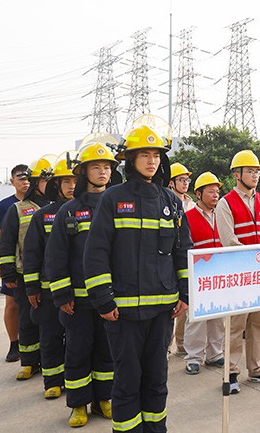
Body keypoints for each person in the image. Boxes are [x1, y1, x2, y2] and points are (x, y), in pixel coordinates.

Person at [84, 123, 192, 433]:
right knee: (128, 380)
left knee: (157, 379)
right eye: (144, 155)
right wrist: (103, 299)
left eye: (156, 155)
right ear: (131, 160)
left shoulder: (170, 202)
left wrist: (184, 294)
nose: (151, 161)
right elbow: (96, 253)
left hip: (162, 311)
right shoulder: (113, 199)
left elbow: (182, 251)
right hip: (124, 312)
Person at [46, 141, 118, 427]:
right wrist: (62, 294)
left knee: (107, 350)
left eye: (107, 167)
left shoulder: (118, 207)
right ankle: (78, 405)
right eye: (96, 167)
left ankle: (103, 399)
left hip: (109, 298)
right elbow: (56, 256)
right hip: (77, 301)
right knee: (77, 351)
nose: (102, 172)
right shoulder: (69, 211)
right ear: (83, 172)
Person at [215, 150, 260, 394]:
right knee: (235, 326)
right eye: (250, 171)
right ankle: (230, 372)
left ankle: (258, 368)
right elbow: (228, 240)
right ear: (236, 174)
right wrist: (255, 257)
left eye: (256, 171)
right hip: (238, 275)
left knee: (258, 324)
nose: (255, 175)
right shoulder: (225, 203)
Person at [23, 152, 77, 399]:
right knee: (51, 336)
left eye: (75, 180)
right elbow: (32, 254)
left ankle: (74, 381)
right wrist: (32, 288)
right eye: (66, 182)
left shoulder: (89, 211)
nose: (71, 186)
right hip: (48, 291)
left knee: (79, 341)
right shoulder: (42, 215)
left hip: (79, 291)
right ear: (57, 184)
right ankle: (52, 381)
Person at [0, 154, 54, 380]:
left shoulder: (58, 208)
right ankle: (29, 362)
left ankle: (51, 361)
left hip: (52, 275)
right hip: (25, 275)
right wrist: (8, 272)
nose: (48, 185)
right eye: (43, 180)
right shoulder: (18, 209)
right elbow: (7, 242)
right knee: (28, 319)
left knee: (51, 323)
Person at [183, 172, 226, 375]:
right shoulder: (187, 217)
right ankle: (194, 358)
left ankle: (215, 354)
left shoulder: (222, 215)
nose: (215, 195)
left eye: (217, 191)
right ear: (198, 194)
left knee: (218, 317)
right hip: (197, 275)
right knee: (197, 319)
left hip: (219, 274)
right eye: (211, 191)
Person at [0, 164, 29, 363]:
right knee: (12, 304)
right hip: (12, 264)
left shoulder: (38, 202)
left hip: (32, 265)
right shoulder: (5, 206)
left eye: (27, 178)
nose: (25, 182)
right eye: (20, 178)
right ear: (12, 181)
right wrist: (1, 264)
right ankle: (14, 343)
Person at [168, 162, 195, 355]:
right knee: (169, 307)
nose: (185, 183)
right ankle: (166, 346)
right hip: (169, 259)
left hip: (187, 256)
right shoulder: (165, 202)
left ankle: (182, 343)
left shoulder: (191, 203)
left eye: (187, 179)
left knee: (185, 303)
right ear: (171, 182)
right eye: (181, 179)